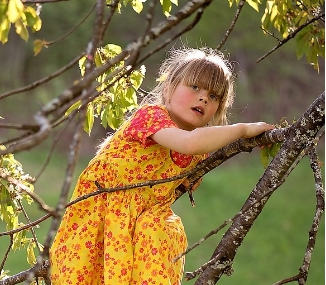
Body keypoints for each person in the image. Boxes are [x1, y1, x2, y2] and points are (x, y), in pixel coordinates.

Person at [49, 46, 274, 284]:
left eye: (214, 96)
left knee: (157, 228)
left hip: (140, 235)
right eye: (195, 87)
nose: (203, 97)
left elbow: (190, 160)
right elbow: (188, 143)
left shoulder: (198, 154)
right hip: (100, 220)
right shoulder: (151, 117)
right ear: (168, 89)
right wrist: (243, 130)